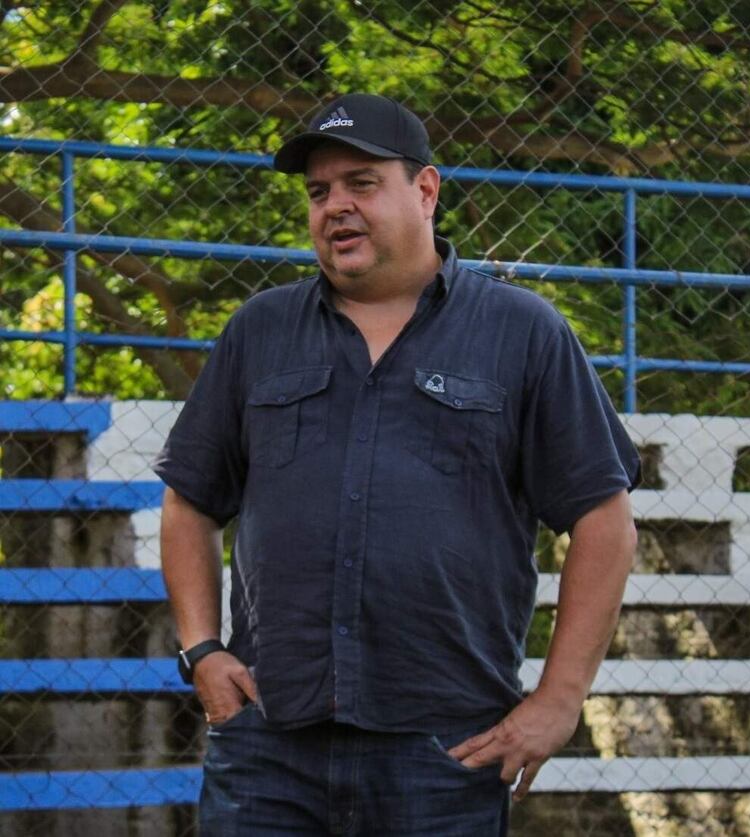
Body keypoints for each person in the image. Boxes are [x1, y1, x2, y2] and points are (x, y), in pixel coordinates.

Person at [154, 93, 640, 836]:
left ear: (426, 190)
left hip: (446, 749)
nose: (335, 207)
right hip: (269, 744)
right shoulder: (260, 331)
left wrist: (559, 699)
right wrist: (202, 649)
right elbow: (189, 499)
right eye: (319, 191)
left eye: (361, 183)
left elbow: (604, 521)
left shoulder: (523, 333)